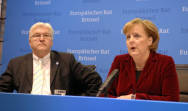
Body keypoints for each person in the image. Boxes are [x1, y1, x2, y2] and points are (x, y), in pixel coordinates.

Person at [0, 22, 102, 96]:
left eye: (46, 35)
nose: (41, 39)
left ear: (51, 41)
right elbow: (2, 90)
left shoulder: (67, 60)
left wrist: (79, 103)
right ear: (30, 42)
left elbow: (94, 80)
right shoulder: (16, 64)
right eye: (36, 35)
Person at [106, 18, 179, 101]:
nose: (131, 40)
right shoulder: (119, 61)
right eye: (128, 37)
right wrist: (119, 102)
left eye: (136, 36)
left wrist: (135, 98)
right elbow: (104, 94)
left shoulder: (165, 63)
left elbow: (172, 99)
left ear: (150, 41)